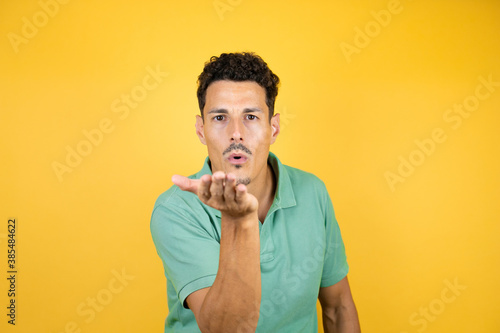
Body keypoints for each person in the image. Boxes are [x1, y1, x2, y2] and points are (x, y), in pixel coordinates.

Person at [150, 52, 360, 333]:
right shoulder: (175, 210)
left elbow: (338, 306)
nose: (236, 133)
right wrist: (238, 220)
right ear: (201, 130)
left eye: (250, 116)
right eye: (220, 117)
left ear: (273, 128)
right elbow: (227, 329)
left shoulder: (313, 192)